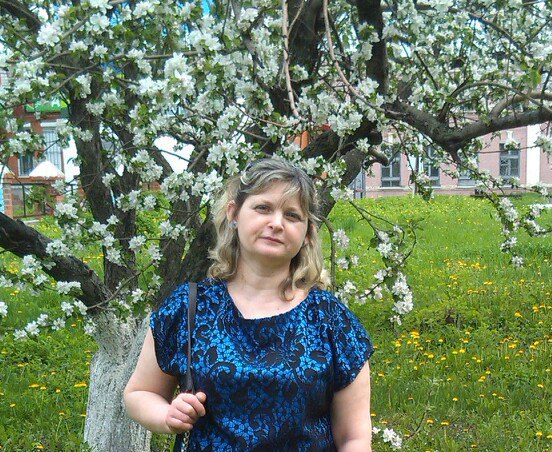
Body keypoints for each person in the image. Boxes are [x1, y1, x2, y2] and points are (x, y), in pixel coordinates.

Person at [124, 158, 375, 451]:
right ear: (234, 213)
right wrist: (167, 416)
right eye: (263, 208)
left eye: (292, 215)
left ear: (308, 233)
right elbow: (140, 393)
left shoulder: (331, 320)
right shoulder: (188, 307)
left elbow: (354, 437)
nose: (276, 223)